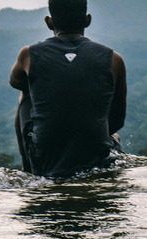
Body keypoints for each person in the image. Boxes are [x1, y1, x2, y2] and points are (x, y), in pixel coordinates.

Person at [10, 0, 127, 178]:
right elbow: (118, 119)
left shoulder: (28, 54)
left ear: (49, 22)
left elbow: (16, 82)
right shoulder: (113, 59)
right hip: (95, 154)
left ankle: (28, 167)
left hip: (46, 158)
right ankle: (109, 144)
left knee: (26, 93)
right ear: (87, 20)